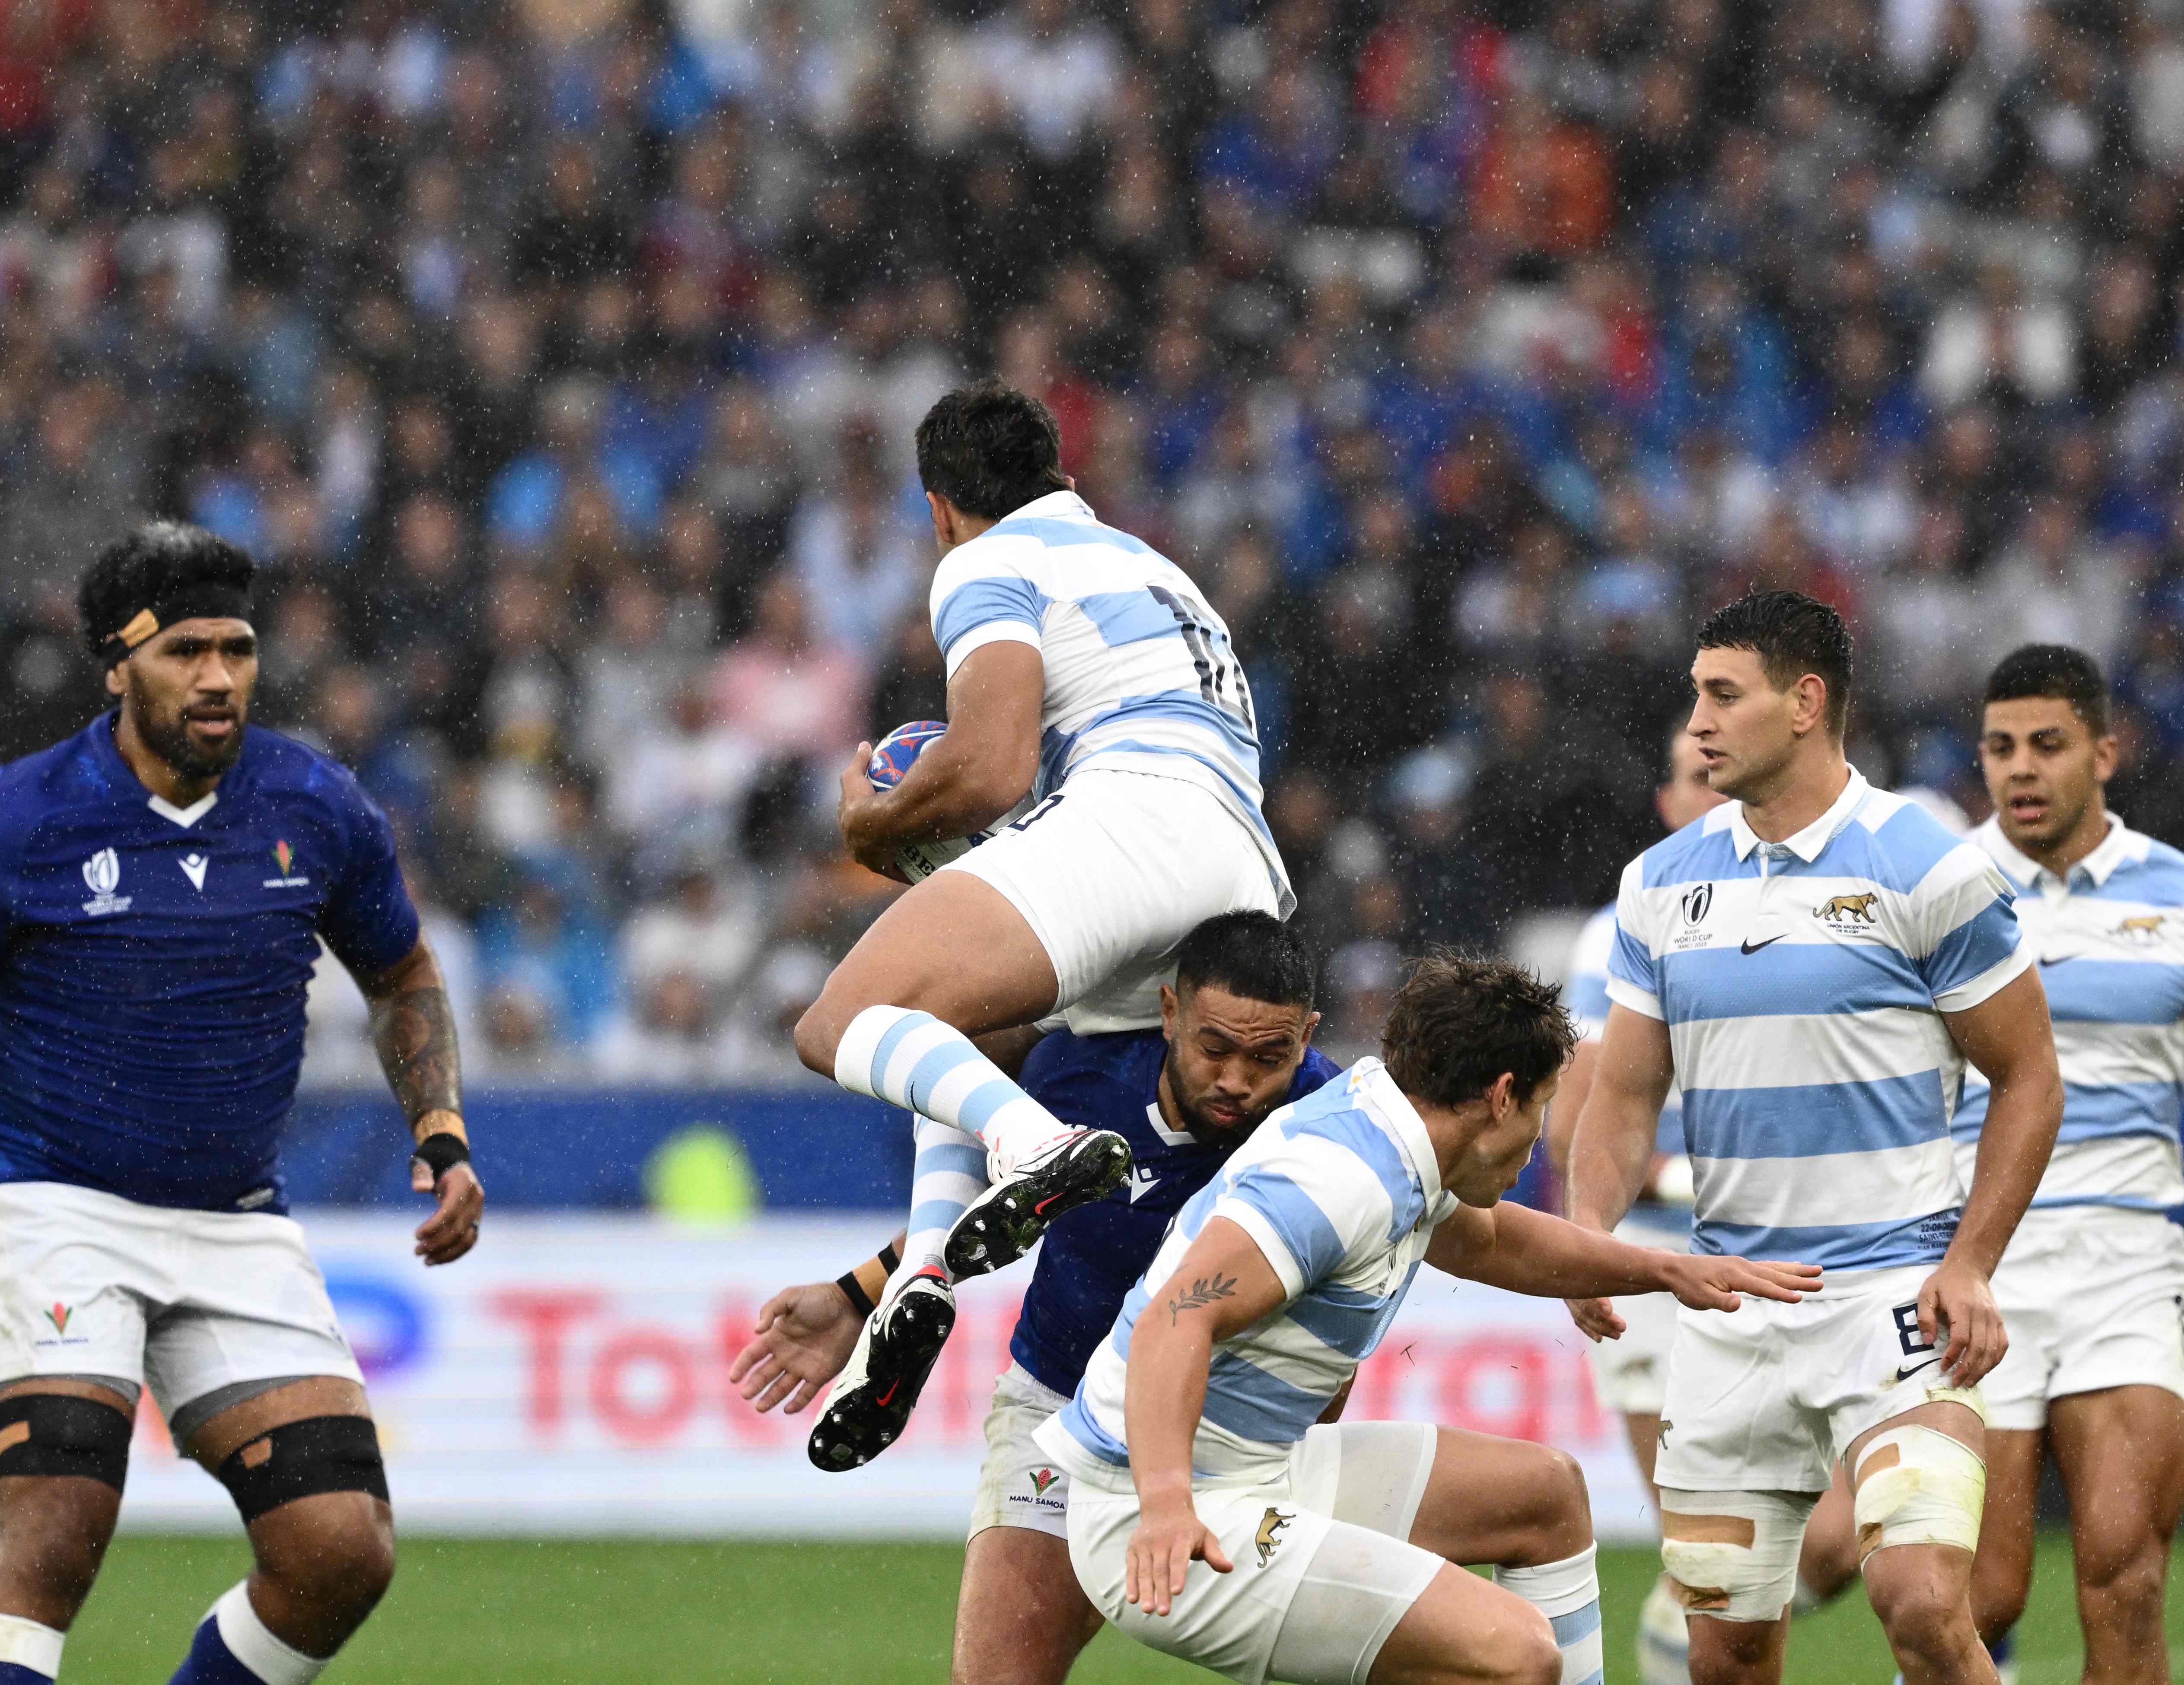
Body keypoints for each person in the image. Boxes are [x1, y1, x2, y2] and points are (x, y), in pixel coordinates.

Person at [0, 524, 484, 1685]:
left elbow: (404, 976)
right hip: (53, 1207)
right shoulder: (23, 815)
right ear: (118, 664)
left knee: (339, 1551)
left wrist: (440, 1130)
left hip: (235, 1217)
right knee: (59, 1527)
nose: (221, 677)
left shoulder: (316, 804)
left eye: (238, 647)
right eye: (187, 650)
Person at [1038, 954, 1825, 1685]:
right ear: (1502, 1095)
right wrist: (1168, 1506)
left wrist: (1669, 1270)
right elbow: (1174, 1322)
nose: (1539, 1138)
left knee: (1543, 1496)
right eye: (1543, 1107)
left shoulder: (1400, 1127)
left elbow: (1488, 1242)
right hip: (1165, 1518)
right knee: (1515, 1656)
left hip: (1256, 1471)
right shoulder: (1341, 1180)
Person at [1564, 589, 2064, 1685]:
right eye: (1695, 693)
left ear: (1805, 703)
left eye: (1721, 695)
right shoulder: (1657, 886)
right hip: (1732, 1307)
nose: (1697, 720)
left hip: (1894, 1300)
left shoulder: (1925, 863)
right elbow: (1623, 1098)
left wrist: (1971, 1264)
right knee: (1727, 1657)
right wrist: (1590, 1234)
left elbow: (2029, 1075)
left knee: (1927, 1607)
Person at [1796, 643, 2184, 1685]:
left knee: (2124, 1582)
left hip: (2126, 1265)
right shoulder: (1939, 890)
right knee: (1975, 1599)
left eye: (2048, 745)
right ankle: (1812, 1565)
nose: (2021, 769)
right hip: (1972, 1262)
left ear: (2106, 754)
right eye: (2000, 749)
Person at [790, 382, 1292, 1427]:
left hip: (1136, 818)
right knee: (953, 1031)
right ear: (1061, 473)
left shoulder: (984, 560)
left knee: (837, 1022)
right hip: (1241, 873)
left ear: (938, 510)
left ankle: (1030, 1148)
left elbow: (986, 768)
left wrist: (872, 828)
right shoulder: (1155, 567)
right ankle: (919, 1272)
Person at [732, 910, 1346, 1683]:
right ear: (1167, 1013)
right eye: (1214, 1048)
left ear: (1309, 1035)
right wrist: (857, 1295)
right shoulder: (1072, 1079)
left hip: (1231, 1432)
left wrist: (1301, 1446)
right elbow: (992, 1205)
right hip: (1060, 1411)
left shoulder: (1332, 1124)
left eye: (1268, 1057)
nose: (1235, 1080)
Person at [1546, 717, 1725, 1685]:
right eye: (1699, 778)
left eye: (1729, 778)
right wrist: (1668, 1183)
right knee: (1702, 1554)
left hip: (1797, 1260)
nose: (1716, 795)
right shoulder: (1616, 930)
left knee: (1850, 1538)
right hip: (1656, 1277)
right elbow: (1575, 1124)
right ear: (1668, 803)